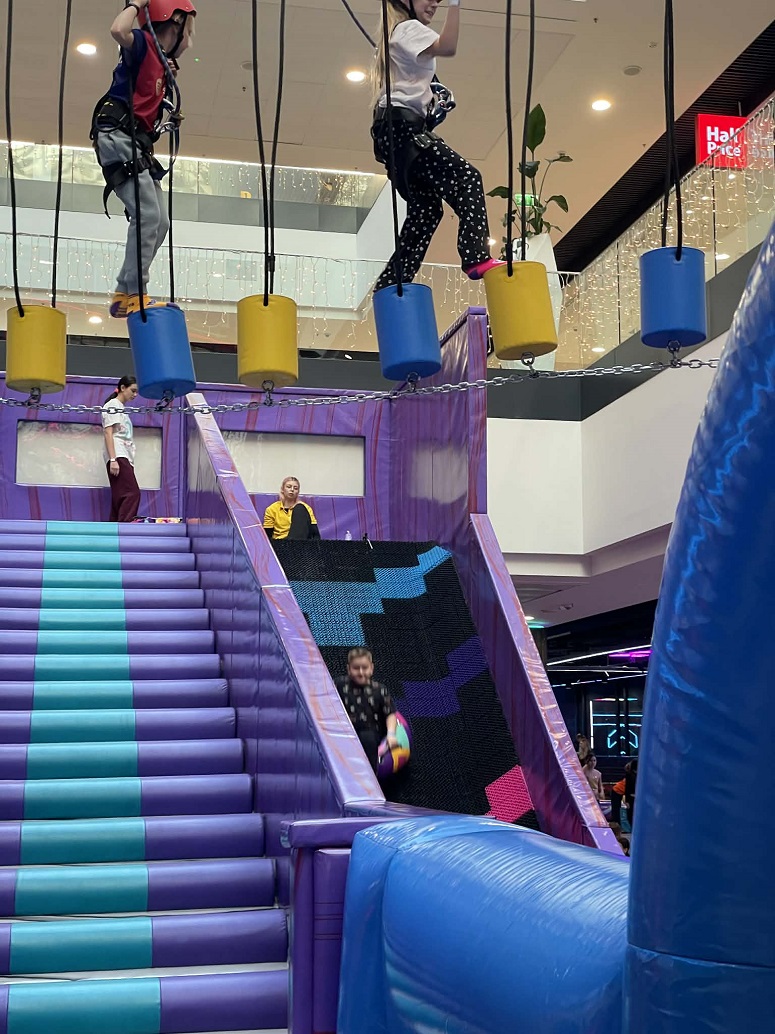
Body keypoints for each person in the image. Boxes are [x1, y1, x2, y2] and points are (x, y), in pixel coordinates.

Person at [370, 0, 503, 293]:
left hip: (394, 132)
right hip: (404, 128)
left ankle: (391, 284)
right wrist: (456, 5)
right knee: (467, 177)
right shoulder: (408, 28)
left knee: (427, 210)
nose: (434, 4)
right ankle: (476, 256)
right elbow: (448, 46)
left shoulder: (399, 34)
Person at [91, 0, 196, 318]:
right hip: (118, 136)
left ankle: (126, 290)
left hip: (134, 142)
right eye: (189, 32)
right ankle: (135, 292)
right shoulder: (143, 43)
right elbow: (117, 30)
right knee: (148, 215)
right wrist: (137, 4)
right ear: (174, 23)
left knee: (160, 221)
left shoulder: (162, 62)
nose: (190, 42)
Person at [335, 648, 398, 773]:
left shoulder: (380, 690)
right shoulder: (338, 685)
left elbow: (390, 714)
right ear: (348, 669)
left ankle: (368, 777)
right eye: (356, 668)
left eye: (364, 668)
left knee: (367, 737)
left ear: (371, 668)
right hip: (344, 733)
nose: (361, 672)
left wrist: (391, 735)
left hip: (370, 735)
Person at [102, 375, 141, 523]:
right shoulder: (113, 405)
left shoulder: (121, 407)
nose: (135, 395)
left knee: (119, 496)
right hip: (118, 455)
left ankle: (115, 528)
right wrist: (113, 459)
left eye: (137, 392)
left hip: (124, 455)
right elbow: (108, 432)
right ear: (123, 388)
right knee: (132, 493)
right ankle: (125, 527)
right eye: (133, 390)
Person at [263, 477, 320, 541]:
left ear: (298, 492)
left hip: (299, 542)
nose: (292, 490)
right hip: (281, 543)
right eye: (289, 487)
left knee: (300, 509)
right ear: (282, 489)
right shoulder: (272, 509)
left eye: (295, 488)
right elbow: (267, 535)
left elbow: (315, 534)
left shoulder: (306, 508)